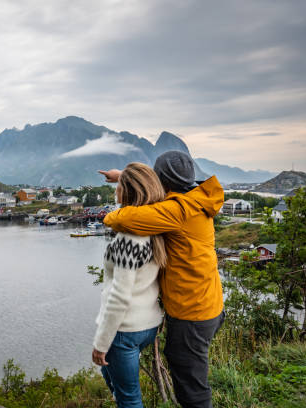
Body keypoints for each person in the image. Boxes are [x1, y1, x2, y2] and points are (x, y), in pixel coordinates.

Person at [99, 150, 225, 408]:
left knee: (192, 387)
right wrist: (123, 176)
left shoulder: (176, 211)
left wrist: (118, 200)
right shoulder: (196, 198)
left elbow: (120, 218)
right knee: (184, 367)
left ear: (162, 181)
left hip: (193, 313)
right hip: (209, 303)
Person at [92, 162, 167, 408]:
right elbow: (124, 213)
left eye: (120, 187)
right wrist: (123, 176)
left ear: (126, 191)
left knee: (129, 399)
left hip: (124, 330)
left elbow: (119, 296)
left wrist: (101, 344)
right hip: (149, 325)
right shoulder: (153, 225)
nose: (116, 192)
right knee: (117, 383)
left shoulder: (128, 238)